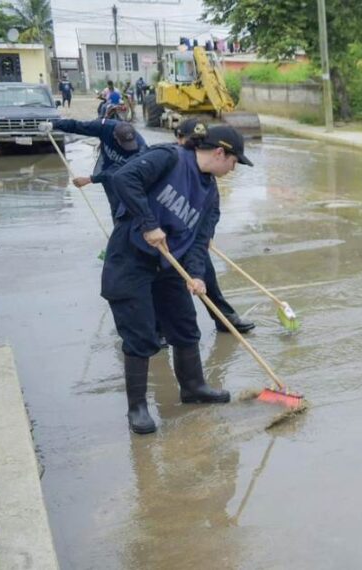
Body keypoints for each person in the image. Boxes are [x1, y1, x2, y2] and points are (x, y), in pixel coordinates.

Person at [102, 125, 253, 434]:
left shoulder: (210, 194)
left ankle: (194, 387)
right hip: (132, 258)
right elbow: (123, 179)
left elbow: (200, 240)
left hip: (169, 267)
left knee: (185, 326)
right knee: (140, 334)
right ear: (220, 153)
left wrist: (197, 275)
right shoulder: (169, 158)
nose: (233, 168)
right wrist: (148, 223)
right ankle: (138, 408)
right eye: (235, 161)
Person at [173, 118, 256, 334]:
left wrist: (205, 233)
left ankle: (224, 318)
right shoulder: (171, 161)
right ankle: (157, 329)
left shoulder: (208, 180)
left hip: (190, 238)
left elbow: (212, 212)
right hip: (162, 241)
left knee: (203, 272)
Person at [44, 118, 146, 214]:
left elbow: (116, 170)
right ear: (115, 136)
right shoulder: (104, 127)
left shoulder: (141, 148)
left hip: (127, 177)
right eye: (124, 143)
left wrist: (90, 179)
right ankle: (119, 230)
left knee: (131, 208)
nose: (128, 147)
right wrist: (54, 124)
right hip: (106, 172)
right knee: (116, 208)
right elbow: (77, 126)